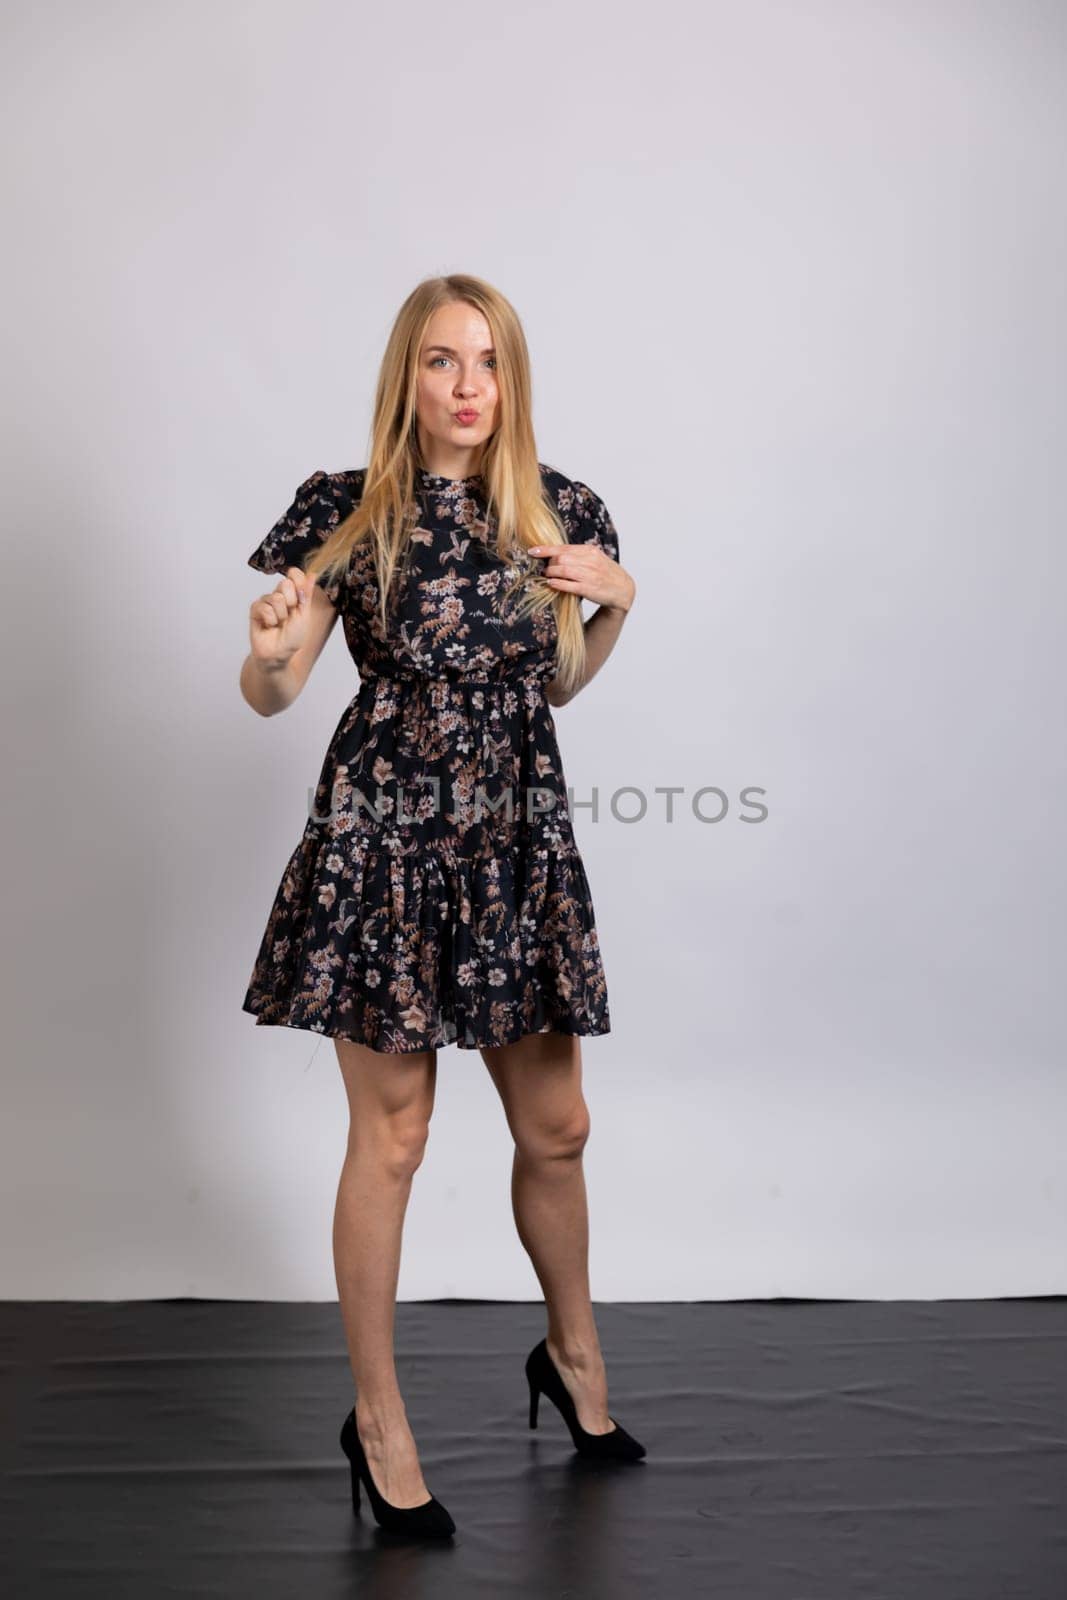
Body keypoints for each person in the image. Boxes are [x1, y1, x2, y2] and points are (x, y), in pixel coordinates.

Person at [238, 274, 644, 1539]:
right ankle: (378, 1419)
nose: (466, 383)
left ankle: (572, 1361)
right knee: (397, 1139)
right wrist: (266, 648)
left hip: (515, 839)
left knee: (557, 1123)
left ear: (508, 380)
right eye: (439, 359)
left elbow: (559, 683)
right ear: (403, 378)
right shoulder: (348, 513)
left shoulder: (558, 508)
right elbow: (275, 686)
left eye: (487, 360)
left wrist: (612, 609)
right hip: (386, 843)